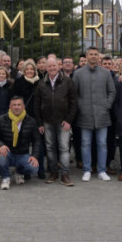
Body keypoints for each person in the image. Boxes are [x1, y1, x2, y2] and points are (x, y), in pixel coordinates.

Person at [72, 47, 116, 182]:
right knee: (85, 143)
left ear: (99, 57)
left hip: (102, 114)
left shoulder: (106, 73)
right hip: (85, 114)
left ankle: (102, 170)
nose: (93, 56)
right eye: (90, 54)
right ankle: (87, 170)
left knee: (102, 143)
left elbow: (112, 92)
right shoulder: (78, 74)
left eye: (95, 54)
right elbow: (74, 94)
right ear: (86, 56)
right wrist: (81, 106)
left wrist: (106, 105)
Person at [34, 57, 77, 186]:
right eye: (49, 66)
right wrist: (39, 123)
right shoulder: (41, 83)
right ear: (46, 68)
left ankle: (65, 174)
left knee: (64, 148)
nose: (52, 68)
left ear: (59, 66)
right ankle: (53, 172)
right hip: (47, 121)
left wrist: (69, 120)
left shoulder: (67, 81)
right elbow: (37, 105)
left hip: (63, 121)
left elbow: (74, 103)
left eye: (54, 66)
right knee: (50, 148)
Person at [0, 96, 43, 190]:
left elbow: (37, 140)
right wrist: (0, 145)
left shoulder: (31, 121)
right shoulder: (1, 119)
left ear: (23, 107)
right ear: (10, 107)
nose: (16, 107)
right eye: (14, 105)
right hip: (7, 153)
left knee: (34, 168)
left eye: (19, 105)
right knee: (0, 153)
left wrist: (34, 156)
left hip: (22, 154)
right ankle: (6, 178)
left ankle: (18, 172)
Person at [11, 60, 43, 179]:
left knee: (38, 143)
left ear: (35, 70)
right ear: (24, 70)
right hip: (22, 117)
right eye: (27, 69)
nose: (29, 71)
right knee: (22, 144)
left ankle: (40, 170)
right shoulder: (19, 82)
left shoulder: (40, 82)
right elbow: (13, 98)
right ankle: (25, 170)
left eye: (32, 69)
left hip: (37, 116)